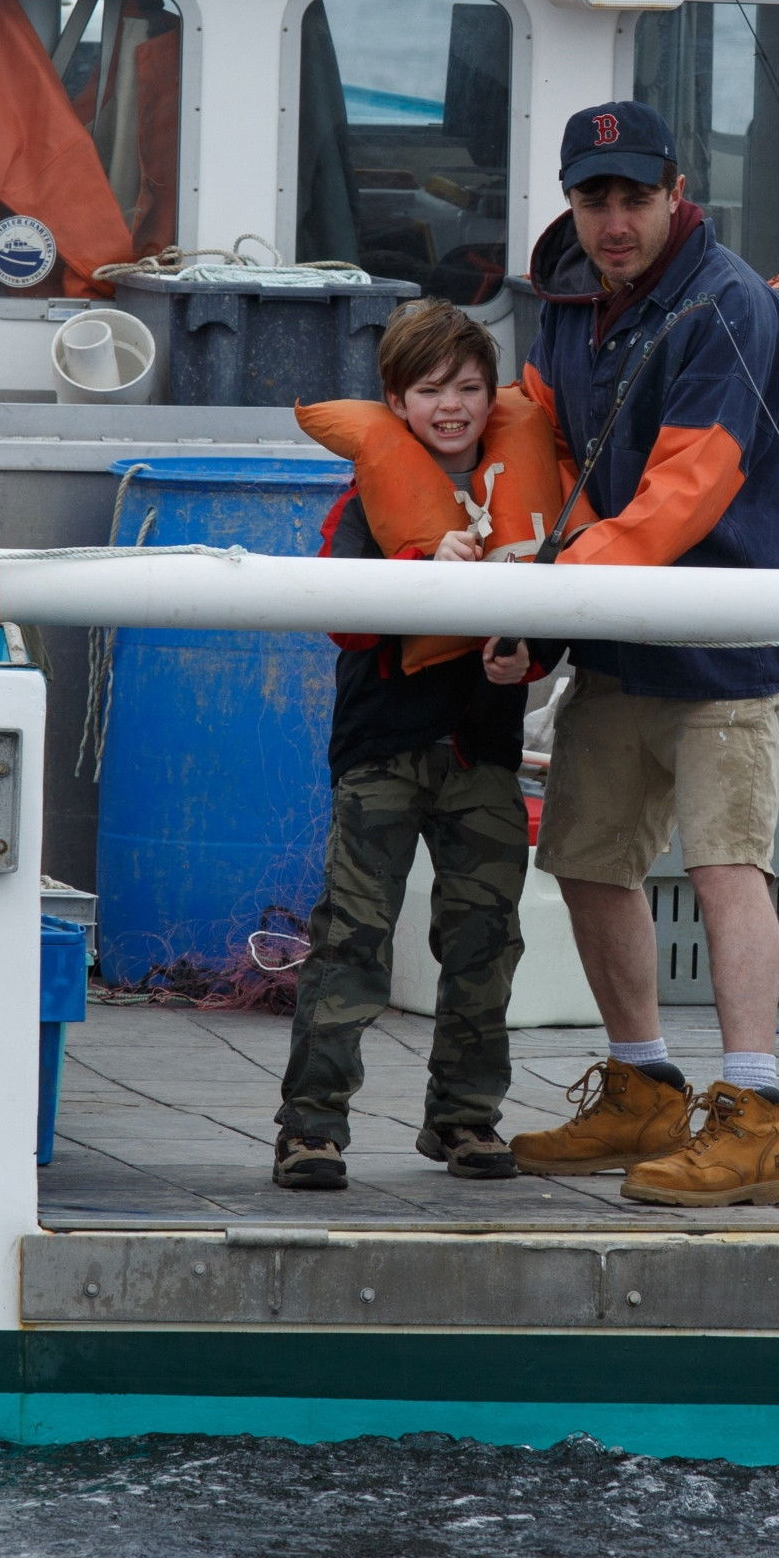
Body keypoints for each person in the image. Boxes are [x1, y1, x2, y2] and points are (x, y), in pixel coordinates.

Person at [505, 101, 779, 1206]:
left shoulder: (730, 304)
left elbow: (693, 486)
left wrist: (551, 583)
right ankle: (642, 1089)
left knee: (728, 868)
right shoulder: (563, 299)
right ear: (570, 201)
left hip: (721, 647)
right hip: (615, 638)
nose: (615, 221)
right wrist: (547, 583)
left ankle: (755, 1118)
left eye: (636, 197)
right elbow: (540, 444)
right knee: (588, 861)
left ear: (676, 193)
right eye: (594, 198)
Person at [269, 302, 551, 1191]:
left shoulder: (527, 491)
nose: (451, 406)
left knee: (485, 940)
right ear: (396, 402)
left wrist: (531, 658)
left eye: (468, 387)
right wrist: (423, 573)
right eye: (430, 390)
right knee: (352, 938)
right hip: (381, 752)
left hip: (485, 754)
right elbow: (342, 617)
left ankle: (466, 1117)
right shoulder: (367, 498)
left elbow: (562, 611)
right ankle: (311, 1128)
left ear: (492, 396)